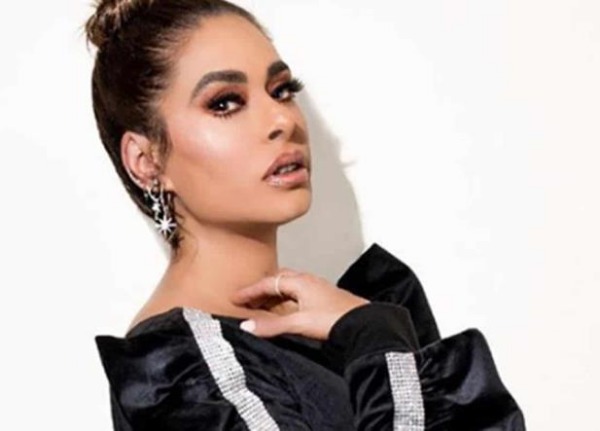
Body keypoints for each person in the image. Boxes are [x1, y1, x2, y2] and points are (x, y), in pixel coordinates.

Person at [85, 0, 527, 429]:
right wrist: (376, 340)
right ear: (146, 161)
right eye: (225, 103)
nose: (282, 120)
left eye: (281, 91)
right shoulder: (181, 378)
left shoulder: (347, 315)